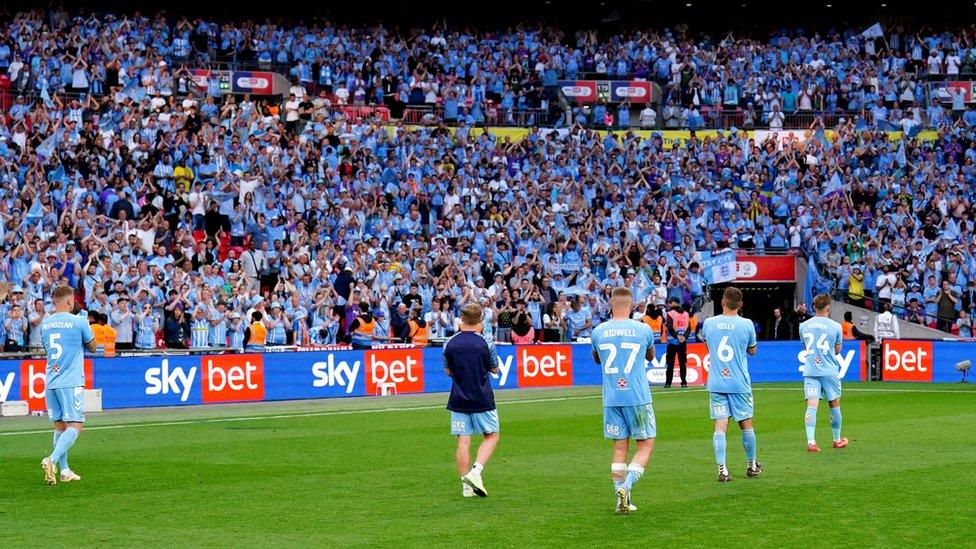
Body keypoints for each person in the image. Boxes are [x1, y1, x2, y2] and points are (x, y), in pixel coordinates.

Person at [591, 287, 657, 515]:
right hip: (637, 397)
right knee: (645, 445)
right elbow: (651, 356)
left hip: (611, 398)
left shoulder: (598, 331)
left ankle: (620, 497)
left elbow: (597, 359)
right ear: (632, 305)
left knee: (619, 448)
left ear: (611, 304)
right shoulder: (643, 329)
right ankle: (626, 487)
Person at [700, 287, 763, 482]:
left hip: (718, 382)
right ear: (741, 305)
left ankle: (723, 469)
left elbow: (708, 345)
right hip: (739, 383)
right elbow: (752, 351)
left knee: (720, 426)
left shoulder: (709, 323)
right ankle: (751, 465)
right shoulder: (746, 324)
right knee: (745, 423)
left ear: (722, 302)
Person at [40, 285, 96, 485]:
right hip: (70, 382)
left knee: (59, 427)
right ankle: (52, 460)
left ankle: (64, 471)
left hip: (51, 382)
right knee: (76, 425)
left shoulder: (45, 324)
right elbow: (92, 346)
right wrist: (86, 326)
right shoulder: (79, 320)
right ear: (70, 300)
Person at [443, 303, 500, 498]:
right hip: (481, 397)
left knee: (463, 441)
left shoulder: (449, 343)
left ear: (461, 318)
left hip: (459, 398)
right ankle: (476, 472)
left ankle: (466, 487)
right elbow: (495, 369)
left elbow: (448, 371)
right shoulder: (486, 343)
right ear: (480, 321)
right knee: (491, 435)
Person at [799, 294, 849, 452]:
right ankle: (836, 439)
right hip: (829, 370)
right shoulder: (835, 326)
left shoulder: (803, 325)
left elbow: (805, 347)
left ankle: (811, 442)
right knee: (834, 403)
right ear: (828, 307)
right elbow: (838, 350)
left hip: (811, 370)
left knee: (812, 406)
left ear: (814, 307)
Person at [664, 297, 690, 388]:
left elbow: (670, 327)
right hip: (682, 342)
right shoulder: (686, 314)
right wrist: (683, 337)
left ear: (674, 303)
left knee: (670, 364)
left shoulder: (670, 313)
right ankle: (684, 382)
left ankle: (668, 383)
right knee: (683, 363)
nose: (669, 304)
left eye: (670, 303)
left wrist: (677, 336)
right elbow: (688, 328)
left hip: (672, 341)